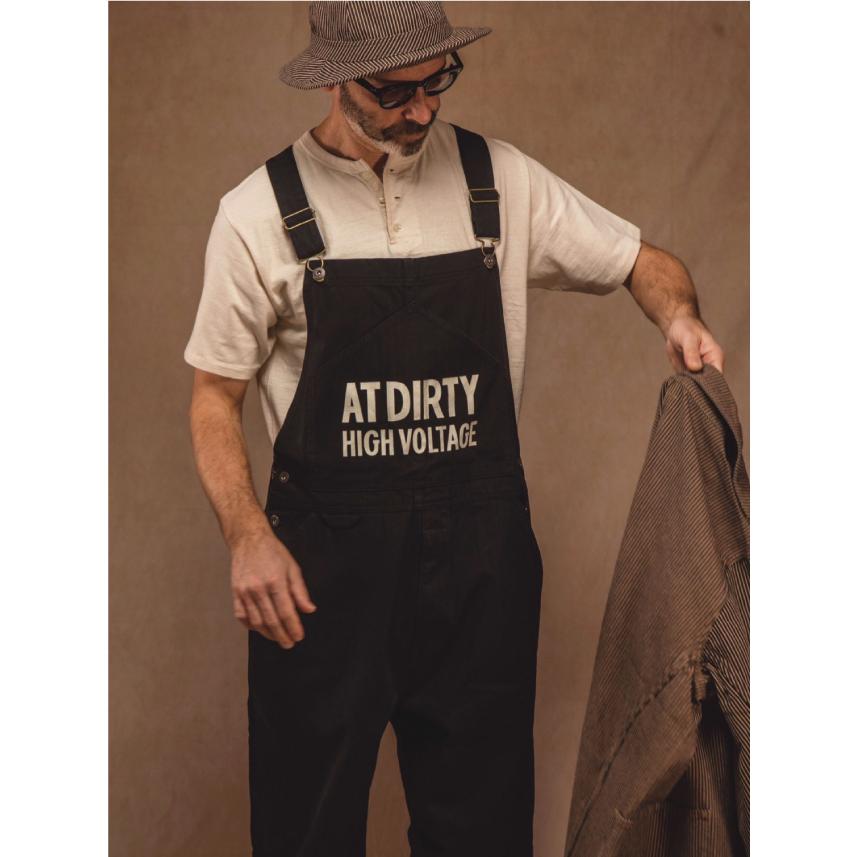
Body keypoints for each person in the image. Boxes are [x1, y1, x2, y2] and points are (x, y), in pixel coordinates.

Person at [184, 3, 725, 855]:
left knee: (483, 834)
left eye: (437, 79)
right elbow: (213, 396)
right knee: (303, 833)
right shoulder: (257, 214)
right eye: (394, 92)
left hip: (478, 581)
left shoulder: (497, 181)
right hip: (320, 586)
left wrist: (678, 316)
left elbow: (644, 264)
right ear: (334, 82)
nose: (423, 107)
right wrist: (247, 535)